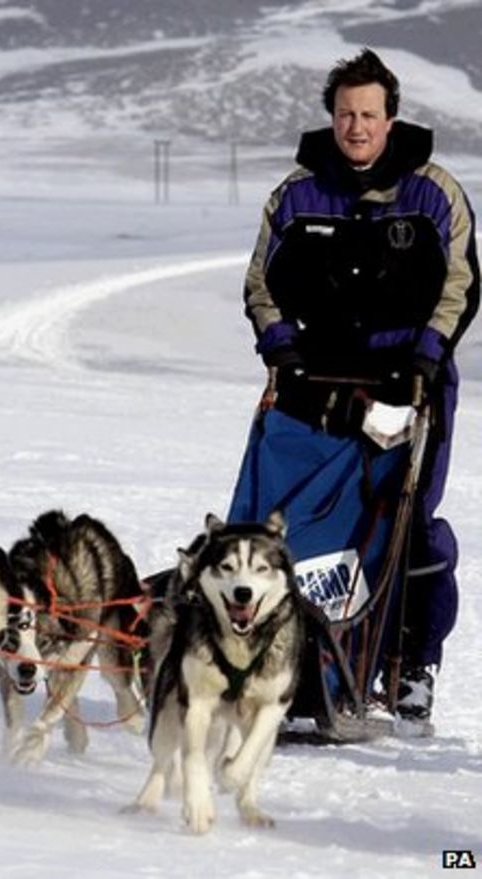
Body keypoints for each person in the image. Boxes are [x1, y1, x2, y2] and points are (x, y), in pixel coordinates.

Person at [228, 48, 480, 732]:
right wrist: (282, 345)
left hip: (408, 382)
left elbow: (460, 283)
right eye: (345, 114)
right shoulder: (297, 194)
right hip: (313, 385)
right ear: (331, 119)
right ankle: (255, 664)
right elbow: (260, 283)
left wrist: (426, 356)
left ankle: (409, 665)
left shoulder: (434, 192)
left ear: (391, 119)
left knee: (404, 524)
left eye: (369, 114)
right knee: (274, 521)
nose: (357, 126)